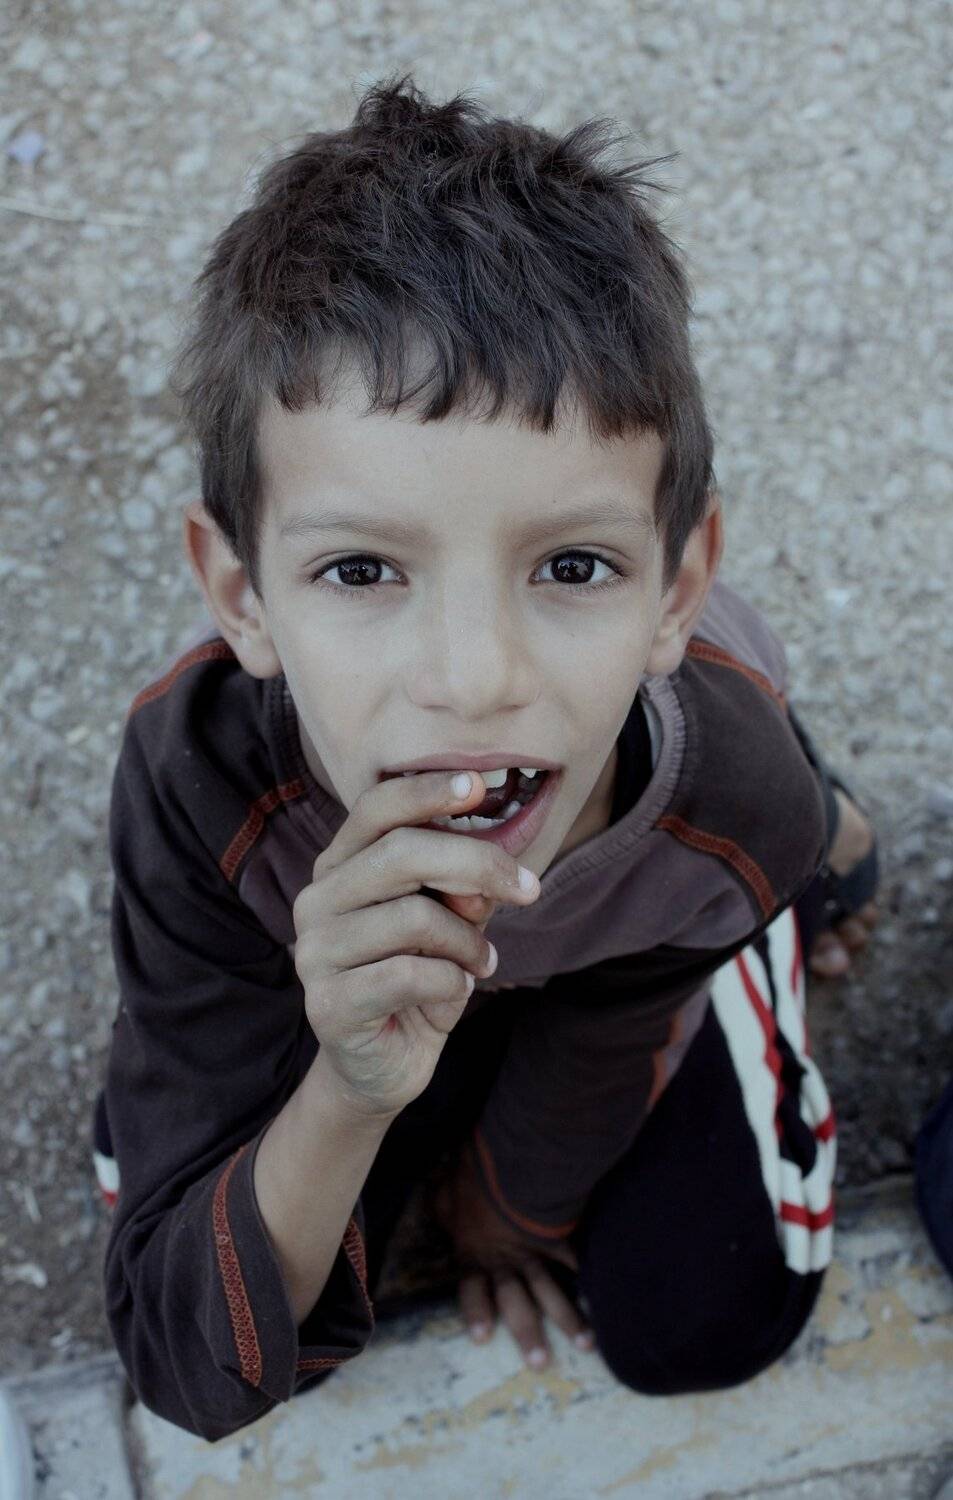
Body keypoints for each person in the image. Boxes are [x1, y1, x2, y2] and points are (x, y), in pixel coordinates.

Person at [92, 75, 880, 1442]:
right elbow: (180, 1355)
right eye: (360, 570)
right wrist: (349, 1090)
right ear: (240, 596)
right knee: (247, 1306)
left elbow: (610, 1028)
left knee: (706, 1309)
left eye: (572, 566)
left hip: (706, 831)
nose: (472, 680)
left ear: (677, 586)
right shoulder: (197, 785)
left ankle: (827, 858)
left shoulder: (726, 808)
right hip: (474, 888)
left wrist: (506, 1209)